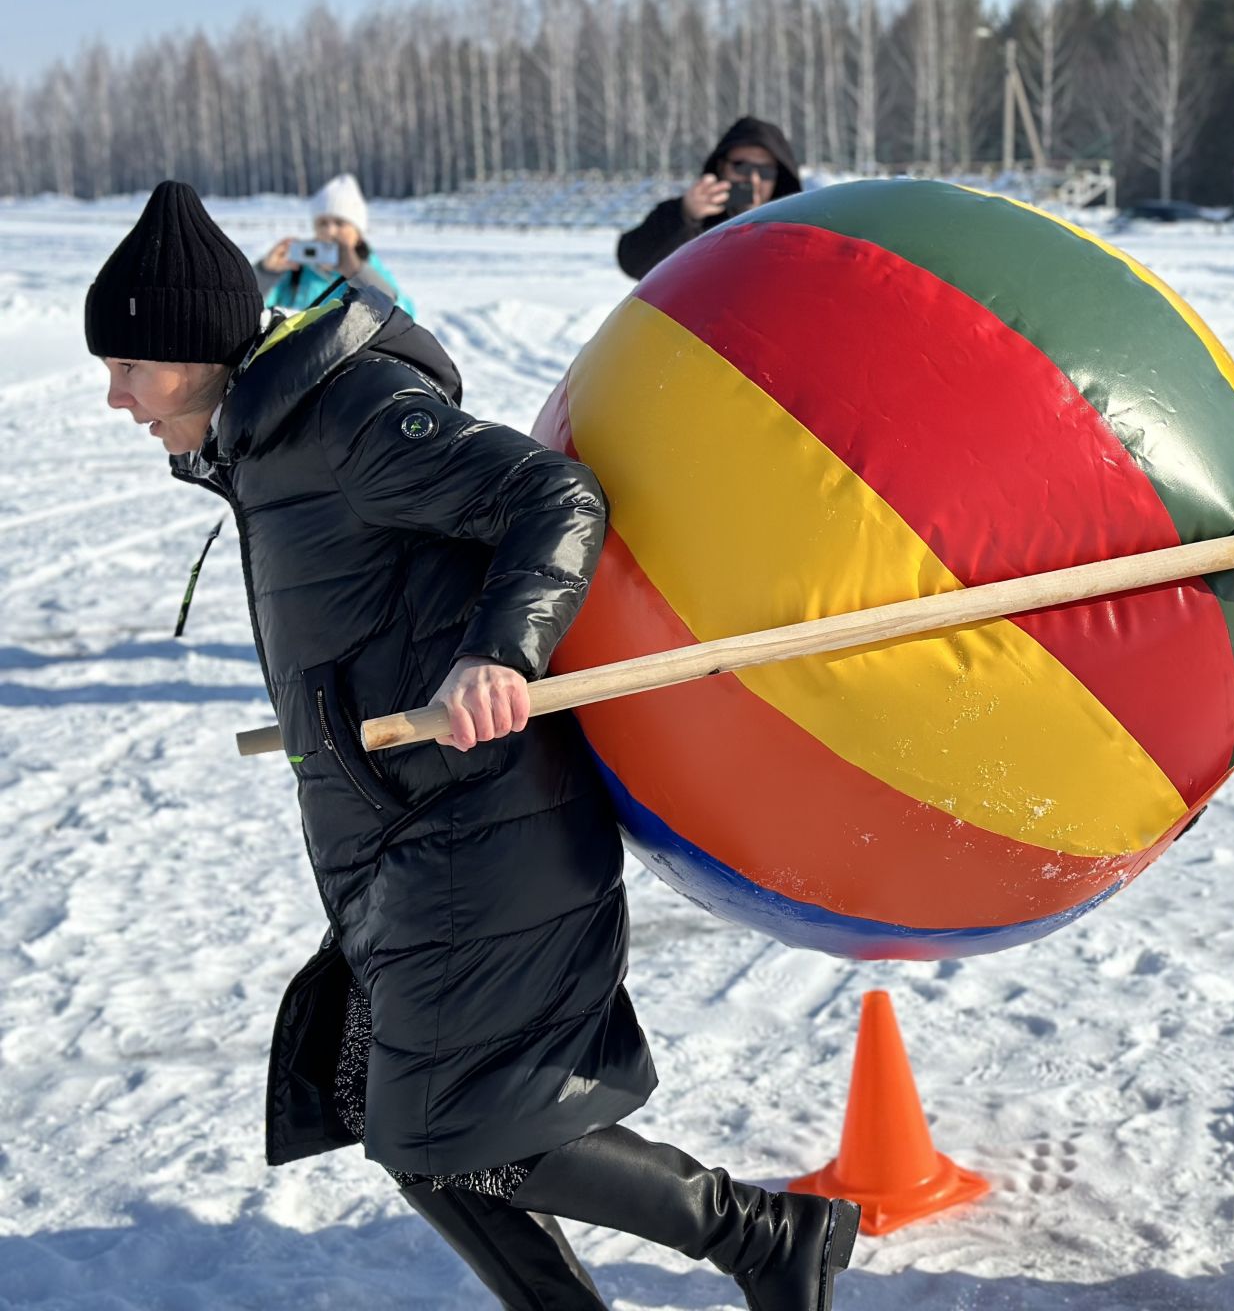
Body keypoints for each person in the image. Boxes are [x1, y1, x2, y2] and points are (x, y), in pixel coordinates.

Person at [90, 182, 859, 1311]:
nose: (115, 398)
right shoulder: (262, 448)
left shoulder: (350, 417)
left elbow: (554, 498)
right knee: (400, 1120)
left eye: (132, 368)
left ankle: (764, 1233)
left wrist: (503, 651)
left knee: (452, 1125)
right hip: (400, 834)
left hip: (477, 827)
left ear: (197, 345)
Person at [616, 117, 801, 281]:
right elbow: (633, 263)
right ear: (722, 167)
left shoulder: (796, 227)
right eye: (742, 167)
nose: (753, 179)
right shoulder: (694, 220)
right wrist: (684, 215)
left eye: (765, 171)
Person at [257, 172, 417, 317]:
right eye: (322, 223)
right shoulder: (297, 271)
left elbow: (404, 316)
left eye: (340, 223)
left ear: (358, 234)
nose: (330, 231)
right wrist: (265, 273)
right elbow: (253, 312)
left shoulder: (371, 269)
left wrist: (358, 274)